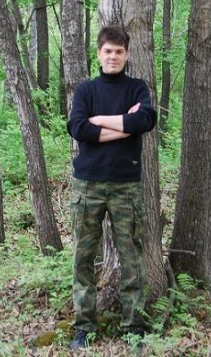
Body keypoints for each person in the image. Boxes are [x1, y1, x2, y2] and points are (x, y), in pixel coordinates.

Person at [66, 25, 157, 350]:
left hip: (126, 187)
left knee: (132, 259)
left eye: (119, 51)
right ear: (99, 54)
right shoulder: (86, 90)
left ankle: (134, 328)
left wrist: (100, 120)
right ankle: (84, 329)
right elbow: (78, 128)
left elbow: (145, 120)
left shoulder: (137, 88)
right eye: (108, 51)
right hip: (87, 185)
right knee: (83, 259)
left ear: (127, 54)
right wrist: (123, 124)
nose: (113, 56)